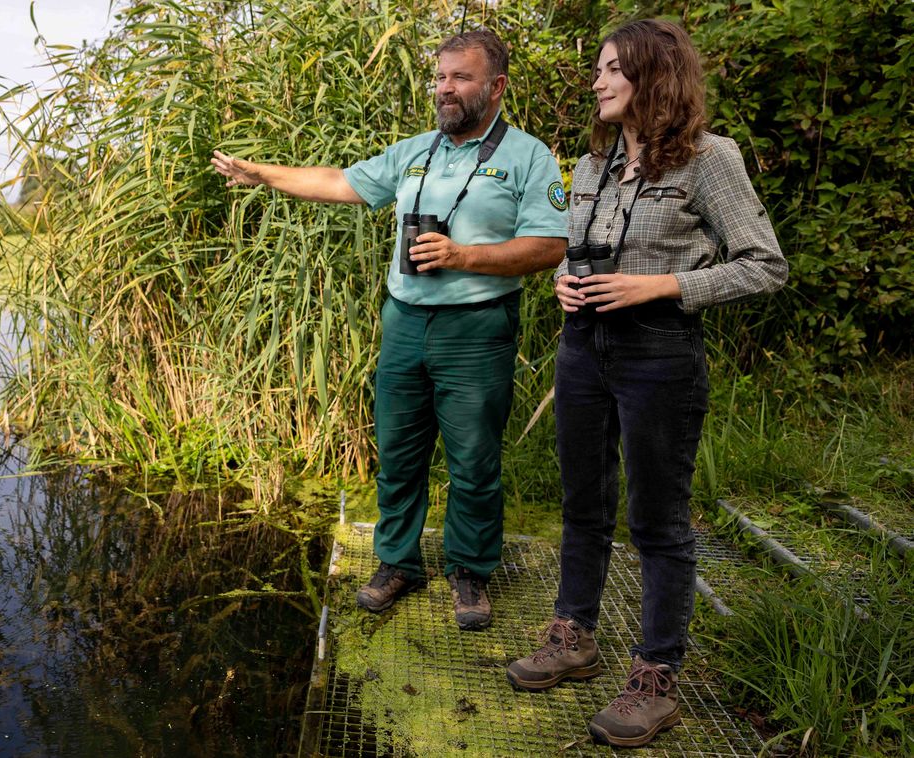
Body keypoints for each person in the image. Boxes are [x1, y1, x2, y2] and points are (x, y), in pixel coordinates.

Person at [212, 30, 567, 631]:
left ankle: (471, 570)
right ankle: (398, 562)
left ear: (496, 87)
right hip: (403, 322)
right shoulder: (416, 152)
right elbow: (340, 182)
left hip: (477, 327)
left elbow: (551, 245)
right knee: (399, 455)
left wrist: (463, 257)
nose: (445, 88)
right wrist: (261, 174)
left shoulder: (529, 157)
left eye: (461, 77)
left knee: (474, 459)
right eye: (440, 77)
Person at [503, 19, 788, 748]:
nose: (595, 81)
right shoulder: (593, 164)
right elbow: (579, 256)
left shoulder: (707, 160)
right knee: (581, 502)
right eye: (596, 69)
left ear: (650, 75)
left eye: (609, 69)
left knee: (657, 519)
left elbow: (763, 264)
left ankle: (654, 677)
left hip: (658, 351)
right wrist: (566, 284)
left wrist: (660, 286)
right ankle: (573, 638)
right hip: (581, 348)